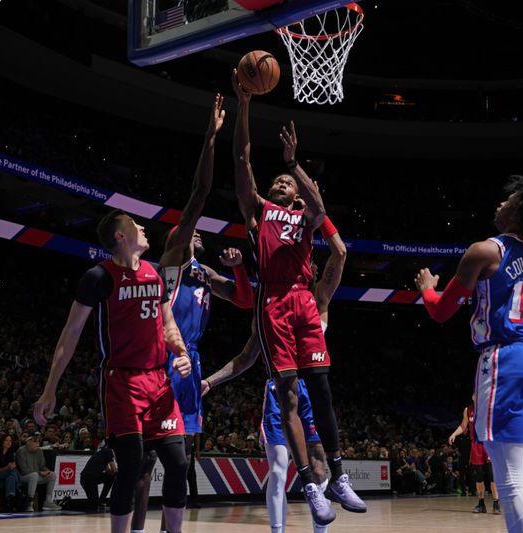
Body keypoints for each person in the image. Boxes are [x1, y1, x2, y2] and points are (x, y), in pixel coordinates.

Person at [414, 172, 523, 533]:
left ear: (520, 212)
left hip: (505, 359)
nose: (499, 204)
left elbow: (441, 311)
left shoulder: (486, 251)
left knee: (509, 482)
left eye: (507, 201)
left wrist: (428, 289)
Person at [231, 69, 363, 527]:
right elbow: (243, 160)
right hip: (273, 302)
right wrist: (245, 106)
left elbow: (322, 208)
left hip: (304, 300)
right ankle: (308, 482)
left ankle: (339, 475)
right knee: (286, 392)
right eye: (280, 183)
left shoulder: (306, 214)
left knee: (321, 389)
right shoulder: (258, 212)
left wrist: (293, 164)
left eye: (286, 184)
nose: (283, 186)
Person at [131, 94, 255, 533]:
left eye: (198, 233)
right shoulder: (173, 263)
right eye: (190, 232)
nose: (198, 233)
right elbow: (199, 195)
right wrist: (211, 138)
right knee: (145, 460)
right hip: (163, 357)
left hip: (191, 362)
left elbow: (244, 302)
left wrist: (239, 272)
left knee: (180, 460)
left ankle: (171, 528)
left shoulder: (204, 274)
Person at [33, 208, 192, 533]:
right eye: (135, 224)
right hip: (123, 382)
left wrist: (182, 351)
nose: (143, 227)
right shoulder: (98, 277)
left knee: (178, 464)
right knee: (131, 465)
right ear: (120, 236)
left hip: (159, 381)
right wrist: (51, 387)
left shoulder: (155, 272)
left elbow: (168, 324)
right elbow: (71, 333)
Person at [203, 213, 347, 533]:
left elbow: (340, 253)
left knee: (321, 468)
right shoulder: (267, 308)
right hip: (280, 392)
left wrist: (318, 213)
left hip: (310, 393)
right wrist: (210, 382)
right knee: (280, 470)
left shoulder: (320, 298)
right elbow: (244, 359)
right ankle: (277, 531)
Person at [448, 396, 500, 514]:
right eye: (475, 394)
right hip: (476, 446)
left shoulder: (490, 408)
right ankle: (481, 504)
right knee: (479, 477)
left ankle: (496, 504)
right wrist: (454, 434)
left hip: (489, 444)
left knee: (492, 476)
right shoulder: (468, 410)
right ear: (472, 396)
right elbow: (463, 426)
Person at [16, 433, 61, 512]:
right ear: (28, 442)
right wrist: (40, 473)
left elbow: (42, 466)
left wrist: (47, 471)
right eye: (35, 442)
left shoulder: (39, 451)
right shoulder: (21, 451)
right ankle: (29, 503)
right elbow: (24, 470)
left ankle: (48, 502)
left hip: (36, 475)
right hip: (23, 477)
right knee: (34, 475)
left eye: (38, 442)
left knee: (52, 475)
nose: (37, 444)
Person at [0, 434, 21, 512]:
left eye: (10, 440)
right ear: (2, 441)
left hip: (7, 474)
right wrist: (7, 467)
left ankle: (10, 496)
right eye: (6, 440)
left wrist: (13, 465)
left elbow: (11, 466)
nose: (9, 442)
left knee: (11, 476)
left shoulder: (10, 452)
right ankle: (17, 486)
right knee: (12, 472)